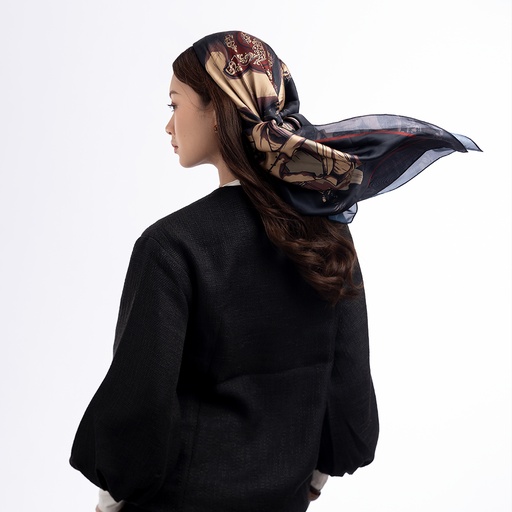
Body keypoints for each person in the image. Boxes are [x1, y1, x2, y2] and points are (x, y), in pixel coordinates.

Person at [70, 31, 480, 512]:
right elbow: (347, 387)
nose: (168, 125)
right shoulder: (327, 235)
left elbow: (138, 407)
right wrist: (313, 482)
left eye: (174, 104)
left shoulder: (172, 246)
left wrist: (108, 502)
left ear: (218, 110)